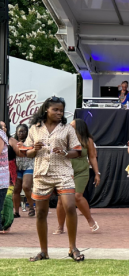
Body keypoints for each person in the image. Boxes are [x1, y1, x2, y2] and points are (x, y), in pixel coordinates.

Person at [22, 97, 84, 262]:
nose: (59, 113)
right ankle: (43, 252)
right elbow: (26, 152)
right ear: (46, 110)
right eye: (55, 110)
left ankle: (73, 248)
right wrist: (33, 150)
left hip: (63, 172)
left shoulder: (67, 129)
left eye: (61, 110)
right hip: (41, 174)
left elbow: (77, 151)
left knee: (70, 207)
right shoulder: (35, 129)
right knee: (41, 212)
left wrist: (64, 152)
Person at [54, 119, 100, 234]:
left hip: (82, 171)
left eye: (72, 126)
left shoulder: (87, 140)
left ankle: (90, 220)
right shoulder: (65, 139)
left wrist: (97, 173)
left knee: (77, 196)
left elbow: (93, 157)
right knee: (61, 199)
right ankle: (60, 226)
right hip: (65, 171)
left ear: (79, 128)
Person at [11, 124, 35, 218]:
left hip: (29, 166)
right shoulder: (14, 142)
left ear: (27, 132)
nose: (21, 133)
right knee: (16, 189)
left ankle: (31, 207)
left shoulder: (30, 141)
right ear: (16, 132)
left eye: (23, 131)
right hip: (18, 168)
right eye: (19, 131)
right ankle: (16, 212)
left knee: (26, 186)